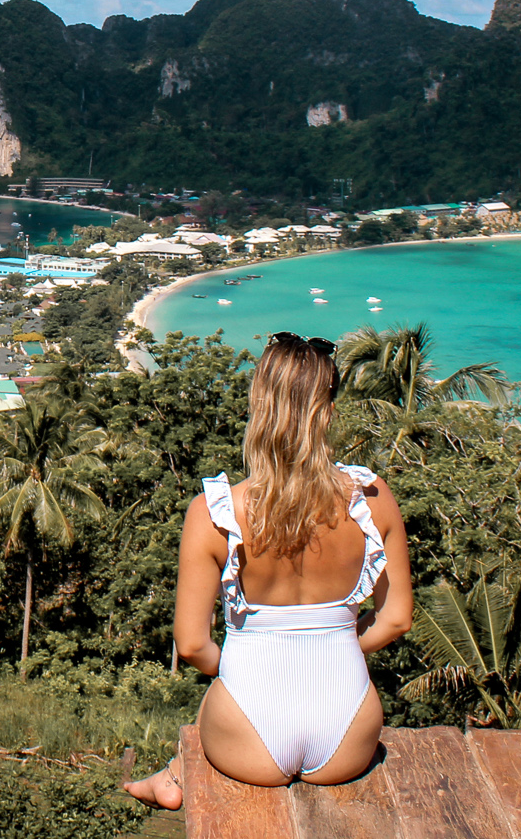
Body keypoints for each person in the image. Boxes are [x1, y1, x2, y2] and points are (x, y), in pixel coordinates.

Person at [126, 332, 414, 806]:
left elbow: (193, 644)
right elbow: (397, 618)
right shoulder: (373, 500)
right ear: (328, 411)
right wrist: (336, 642)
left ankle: (174, 775)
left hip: (247, 731)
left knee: (214, 699)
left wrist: (240, 670)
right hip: (349, 732)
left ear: (259, 408)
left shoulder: (214, 513)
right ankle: (173, 773)